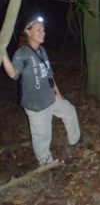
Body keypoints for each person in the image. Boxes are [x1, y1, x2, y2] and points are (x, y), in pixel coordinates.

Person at [2, 16, 81, 166]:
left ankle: (75, 140)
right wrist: (3, 53)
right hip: (36, 105)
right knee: (42, 136)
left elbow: (49, 75)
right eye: (38, 29)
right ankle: (46, 162)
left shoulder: (42, 51)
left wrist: (59, 94)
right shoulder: (22, 53)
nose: (42, 32)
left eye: (43, 29)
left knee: (69, 110)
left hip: (50, 97)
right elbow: (13, 74)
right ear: (28, 32)